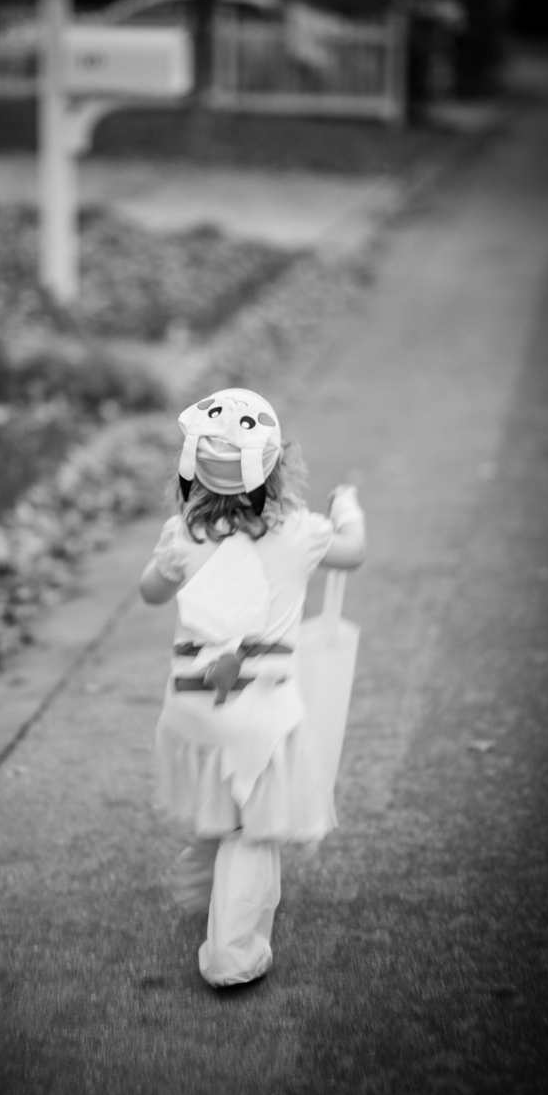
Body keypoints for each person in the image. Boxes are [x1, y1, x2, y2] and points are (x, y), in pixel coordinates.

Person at [139, 388, 366, 988]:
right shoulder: (299, 532)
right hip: (262, 712)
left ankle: (210, 861)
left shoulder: (181, 535)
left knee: (223, 784)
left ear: (191, 471)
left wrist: (173, 556)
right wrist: (348, 511)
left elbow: (150, 592)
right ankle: (233, 955)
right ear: (277, 469)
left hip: (193, 708)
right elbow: (353, 553)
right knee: (254, 829)